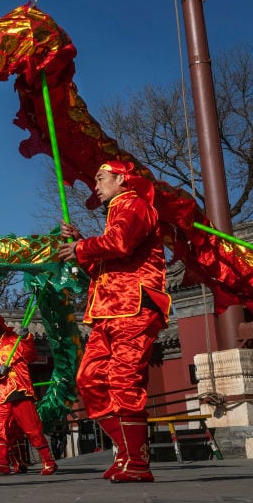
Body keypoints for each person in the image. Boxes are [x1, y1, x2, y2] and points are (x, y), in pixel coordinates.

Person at [59, 160, 170, 483]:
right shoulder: (116, 215)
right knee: (89, 380)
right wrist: (81, 246)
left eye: (101, 178)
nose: (95, 184)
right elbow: (102, 268)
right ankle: (126, 451)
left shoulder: (135, 205)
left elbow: (120, 244)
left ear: (121, 179)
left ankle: (138, 461)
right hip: (107, 311)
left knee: (124, 381)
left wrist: (81, 246)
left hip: (134, 308)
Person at [0, 313, 57, 476]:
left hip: (19, 391)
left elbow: (31, 356)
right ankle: (3, 463)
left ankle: (49, 462)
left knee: (32, 428)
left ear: (0, 325)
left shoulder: (14, 340)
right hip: (1, 396)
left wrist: (26, 338)